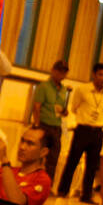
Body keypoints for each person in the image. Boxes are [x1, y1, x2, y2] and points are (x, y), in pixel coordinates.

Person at [57, 62, 103, 204]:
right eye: (100, 74)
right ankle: (62, 191)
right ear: (94, 74)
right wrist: (85, 118)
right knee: (72, 162)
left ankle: (86, 196)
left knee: (92, 166)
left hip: (98, 132)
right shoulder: (82, 89)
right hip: (83, 129)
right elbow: (74, 107)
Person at [0, 125, 53, 205]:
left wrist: (4, 161)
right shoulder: (7, 171)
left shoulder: (42, 180)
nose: (22, 147)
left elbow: (17, 202)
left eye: (30, 143)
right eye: (22, 141)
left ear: (43, 152)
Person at [29, 59, 70, 189]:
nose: (61, 74)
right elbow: (37, 106)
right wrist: (36, 124)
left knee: (53, 158)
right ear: (53, 70)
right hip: (44, 125)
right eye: (58, 71)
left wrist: (64, 112)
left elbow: (61, 107)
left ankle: (47, 186)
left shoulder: (64, 89)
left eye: (64, 72)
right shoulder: (44, 87)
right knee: (37, 157)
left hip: (56, 126)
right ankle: (32, 183)